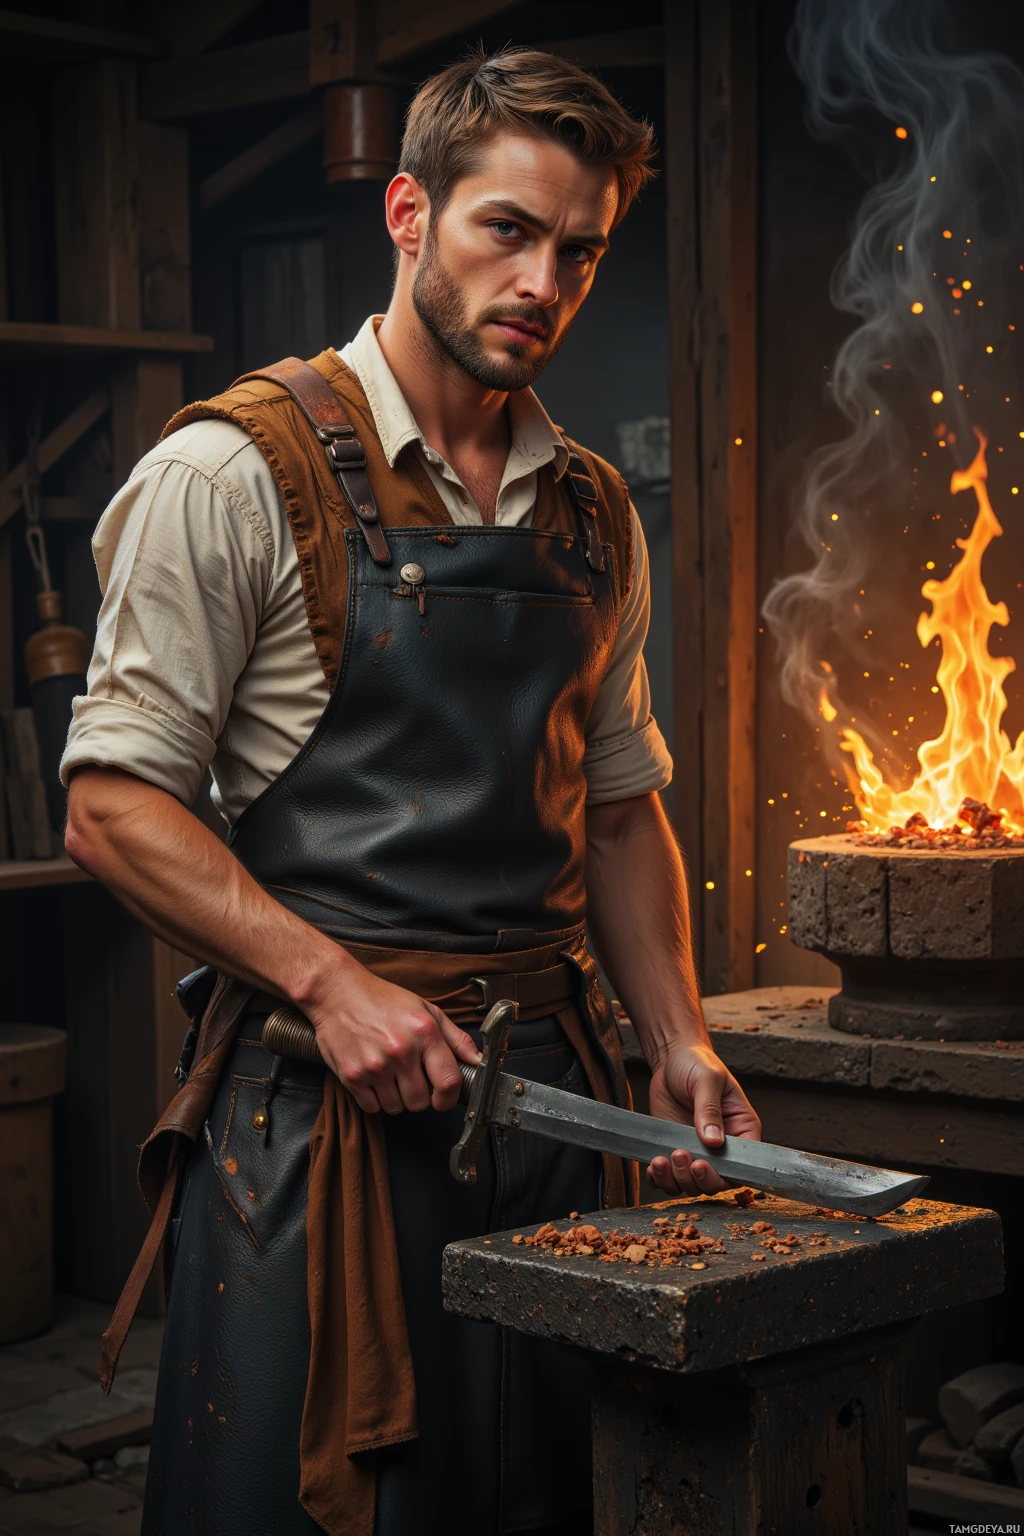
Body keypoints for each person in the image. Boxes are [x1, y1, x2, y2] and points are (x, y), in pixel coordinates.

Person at [62, 46, 760, 1536]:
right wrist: (330, 985)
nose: (543, 281)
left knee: (545, 1493)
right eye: (505, 228)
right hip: (320, 1134)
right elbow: (114, 804)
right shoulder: (234, 473)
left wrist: (679, 1038)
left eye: (580, 250)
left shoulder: (588, 509)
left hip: (561, 1115)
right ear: (407, 211)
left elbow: (623, 805)